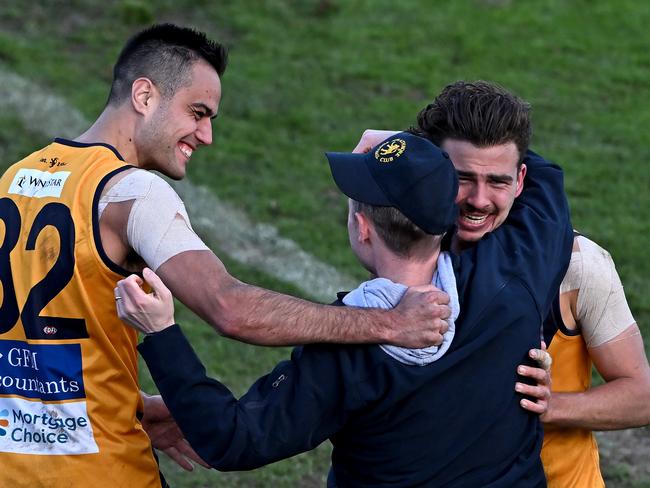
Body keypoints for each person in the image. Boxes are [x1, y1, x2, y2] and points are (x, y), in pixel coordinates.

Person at [0, 24, 450, 487]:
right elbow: (229, 308)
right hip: (100, 472)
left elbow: (39, 335)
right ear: (144, 95)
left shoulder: (15, 179)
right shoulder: (132, 192)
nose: (207, 135)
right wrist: (387, 323)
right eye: (197, 112)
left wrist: (122, 401)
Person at [117, 130, 572, 486]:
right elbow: (545, 179)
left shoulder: (345, 354)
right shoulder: (516, 273)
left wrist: (162, 335)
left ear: (362, 227)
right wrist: (416, 158)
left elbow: (232, 440)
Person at [354, 80, 650, 487]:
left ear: (521, 179)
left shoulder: (580, 266)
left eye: (497, 181)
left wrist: (550, 406)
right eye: (461, 178)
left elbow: (641, 395)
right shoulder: (415, 247)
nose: (478, 201)